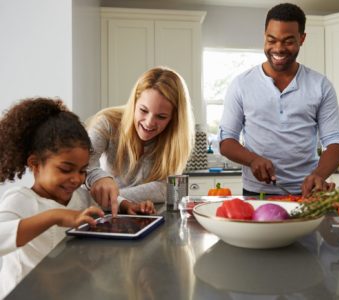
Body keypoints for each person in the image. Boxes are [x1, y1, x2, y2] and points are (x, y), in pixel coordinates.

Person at [0, 98, 145, 298]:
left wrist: (126, 205)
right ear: (35, 163)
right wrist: (56, 216)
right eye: (66, 169)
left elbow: (102, 202)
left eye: (82, 170)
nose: (76, 179)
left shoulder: (80, 197)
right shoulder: (20, 200)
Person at [218, 3, 339, 197]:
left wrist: (319, 174)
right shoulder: (241, 84)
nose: (278, 48)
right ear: (264, 36)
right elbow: (226, 141)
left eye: (288, 41)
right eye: (272, 40)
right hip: (256, 192)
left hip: (307, 192)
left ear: (302, 39)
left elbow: (336, 142)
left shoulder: (320, 85)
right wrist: (253, 160)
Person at [86, 67, 195, 216]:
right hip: (108, 215)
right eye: (143, 110)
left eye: (161, 117)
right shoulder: (107, 123)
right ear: (134, 104)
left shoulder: (174, 142)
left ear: (173, 119)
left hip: (145, 214)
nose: (149, 123)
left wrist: (111, 198)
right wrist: (107, 186)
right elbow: (84, 166)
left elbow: (165, 188)